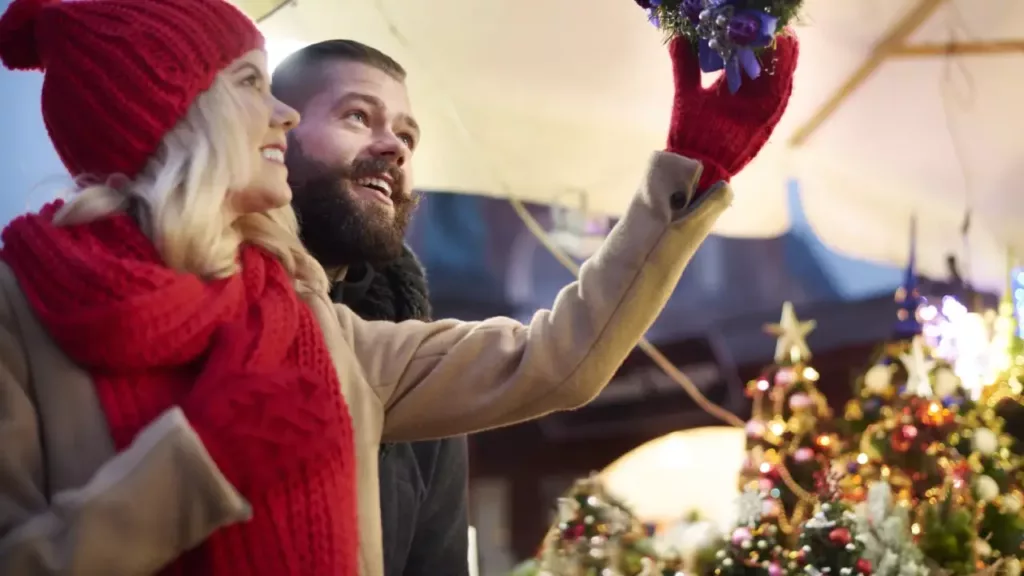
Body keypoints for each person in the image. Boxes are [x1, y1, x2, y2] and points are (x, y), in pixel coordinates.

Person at [0, 1, 798, 575]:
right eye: (250, 84)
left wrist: (694, 167)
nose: (278, 114)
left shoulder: (314, 326)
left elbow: (555, 360)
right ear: (178, 108)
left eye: (408, 133)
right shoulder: (19, 312)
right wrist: (200, 465)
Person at [273, 41, 470, 576]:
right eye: (358, 116)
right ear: (274, 134)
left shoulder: (417, 367)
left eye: (407, 136)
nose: (395, 149)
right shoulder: (196, 304)